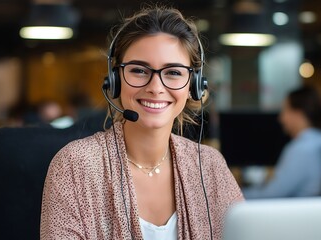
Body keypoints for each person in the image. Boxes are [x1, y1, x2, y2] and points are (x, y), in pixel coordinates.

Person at [40, 5, 244, 240]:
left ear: (194, 86)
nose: (155, 88)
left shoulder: (210, 166)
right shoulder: (75, 166)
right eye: (139, 70)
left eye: (174, 73)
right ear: (115, 80)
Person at [243, 85, 321, 199]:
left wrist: (231, 194)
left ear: (298, 113)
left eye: (285, 110)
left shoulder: (300, 150)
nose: (281, 118)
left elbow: (271, 195)